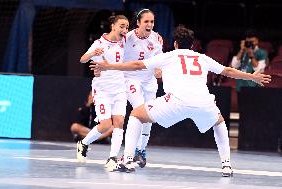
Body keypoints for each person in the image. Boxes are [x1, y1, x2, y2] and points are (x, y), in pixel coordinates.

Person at [90, 25, 271, 177]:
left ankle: (128, 160)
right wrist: (252, 77)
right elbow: (228, 71)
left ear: (175, 44)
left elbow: (137, 65)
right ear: (192, 45)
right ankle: (226, 165)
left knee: (137, 114)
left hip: (175, 102)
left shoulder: (169, 55)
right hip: (203, 102)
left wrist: (108, 65)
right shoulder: (202, 57)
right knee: (219, 122)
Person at [76, 14, 129, 172]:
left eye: (127, 27)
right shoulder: (100, 43)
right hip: (103, 90)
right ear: (113, 25)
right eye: (122, 26)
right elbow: (83, 59)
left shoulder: (125, 41)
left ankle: (112, 158)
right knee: (106, 124)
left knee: (119, 123)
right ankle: (83, 143)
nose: (125, 30)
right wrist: (93, 54)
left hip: (120, 88)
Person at [123, 8, 163, 168]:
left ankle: (141, 150)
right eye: (146, 21)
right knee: (140, 110)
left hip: (149, 81)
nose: (149, 24)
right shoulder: (127, 38)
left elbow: (158, 60)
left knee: (149, 116)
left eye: (151, 21)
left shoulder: (157, 39)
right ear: (138, 23)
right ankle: (129, 154)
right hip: (130, 79)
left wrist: (159, 69)